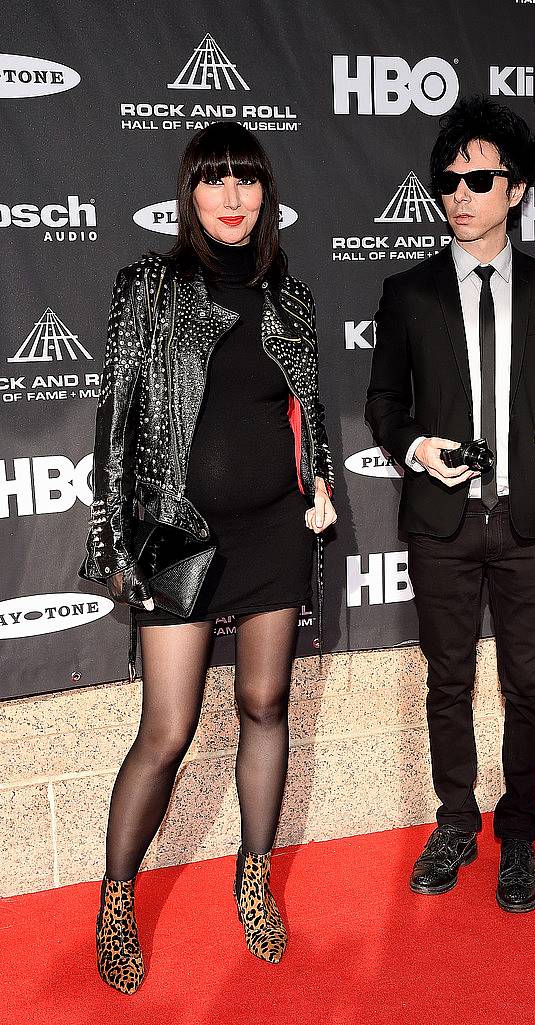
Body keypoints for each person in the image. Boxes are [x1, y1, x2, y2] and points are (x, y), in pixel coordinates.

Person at [80, 122, 336, 990]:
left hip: (274, 528)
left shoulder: (290, 298)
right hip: (174, 531)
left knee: (267, 704)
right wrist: (114, 537)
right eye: (215, 181)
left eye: (248, 182)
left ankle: (253, 876)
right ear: (189, 194)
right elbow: (113, 421)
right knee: (169, 728)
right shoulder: (146, 288)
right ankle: (116, 899)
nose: (233, 198)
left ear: (266, 194)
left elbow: (309, 410)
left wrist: (323, 484)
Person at [365, 96, 535, 913]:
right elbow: (384, 402)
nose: (460, 194)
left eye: (479, 179)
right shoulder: (408, 291)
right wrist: (419, 449)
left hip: (527, 521)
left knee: (525, 679)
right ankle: (454, 820)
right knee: (447, 679)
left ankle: (518, 830)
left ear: (515, 188)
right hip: (441, 522)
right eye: (448, 182)